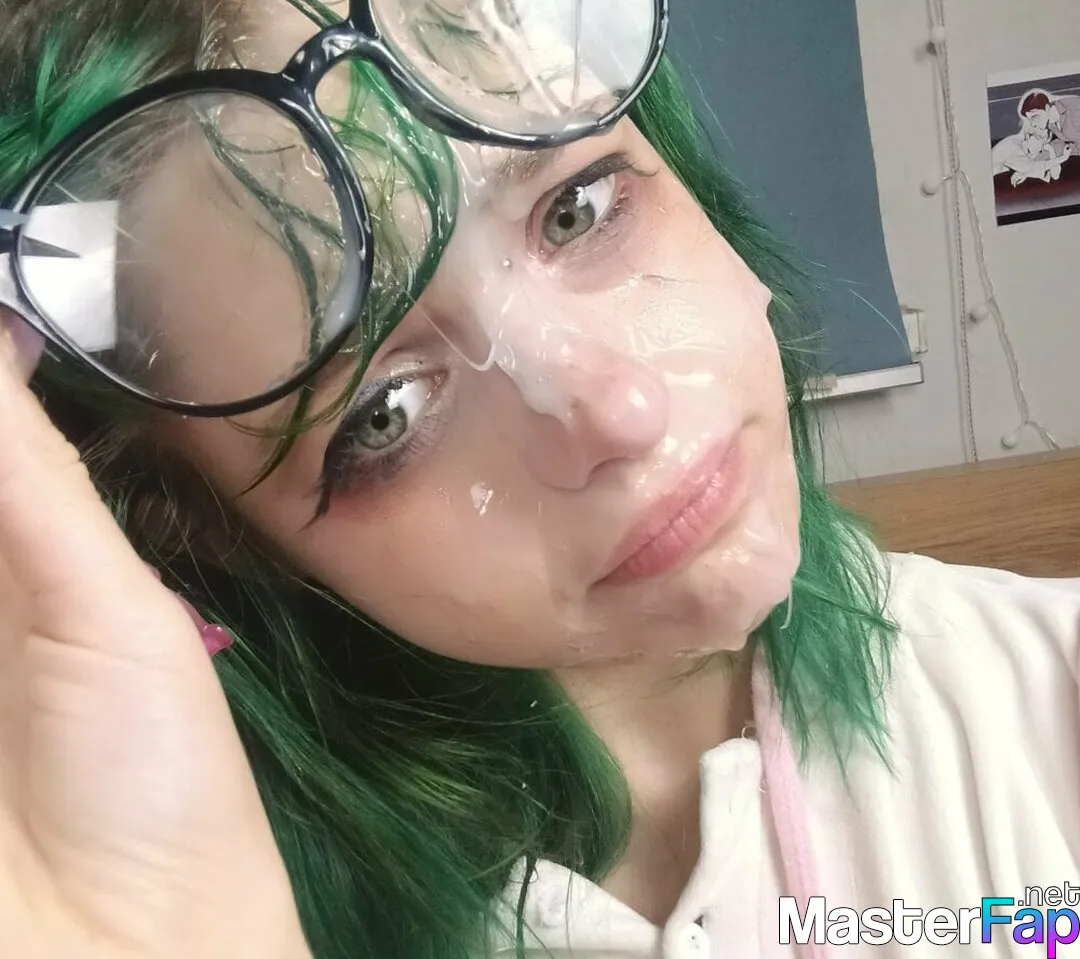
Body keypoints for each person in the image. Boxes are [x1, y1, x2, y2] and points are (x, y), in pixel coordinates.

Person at [1, 2, 1079, 958]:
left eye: (577, 209)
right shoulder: (174, 904)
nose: (621, 412)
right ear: (205, 528)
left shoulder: (1048, 704)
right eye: (384, 413)